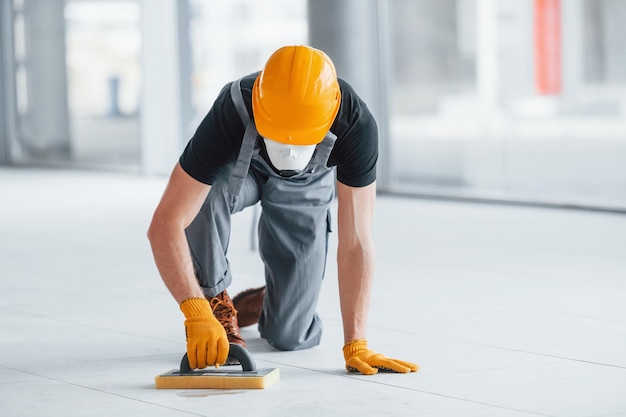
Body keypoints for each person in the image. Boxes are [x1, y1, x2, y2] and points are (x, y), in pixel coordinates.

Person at [147, 45, 418, 376]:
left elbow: (357, 241)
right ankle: (217, 303)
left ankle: (273, 299)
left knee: (290, 336)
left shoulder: (356, 125)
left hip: (306, 187)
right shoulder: (233, 105)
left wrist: (356, 343)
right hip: (240, 173)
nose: (288, 149)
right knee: (199, 198)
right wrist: (195, 310)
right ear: (260, 105)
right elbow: (167, 222)